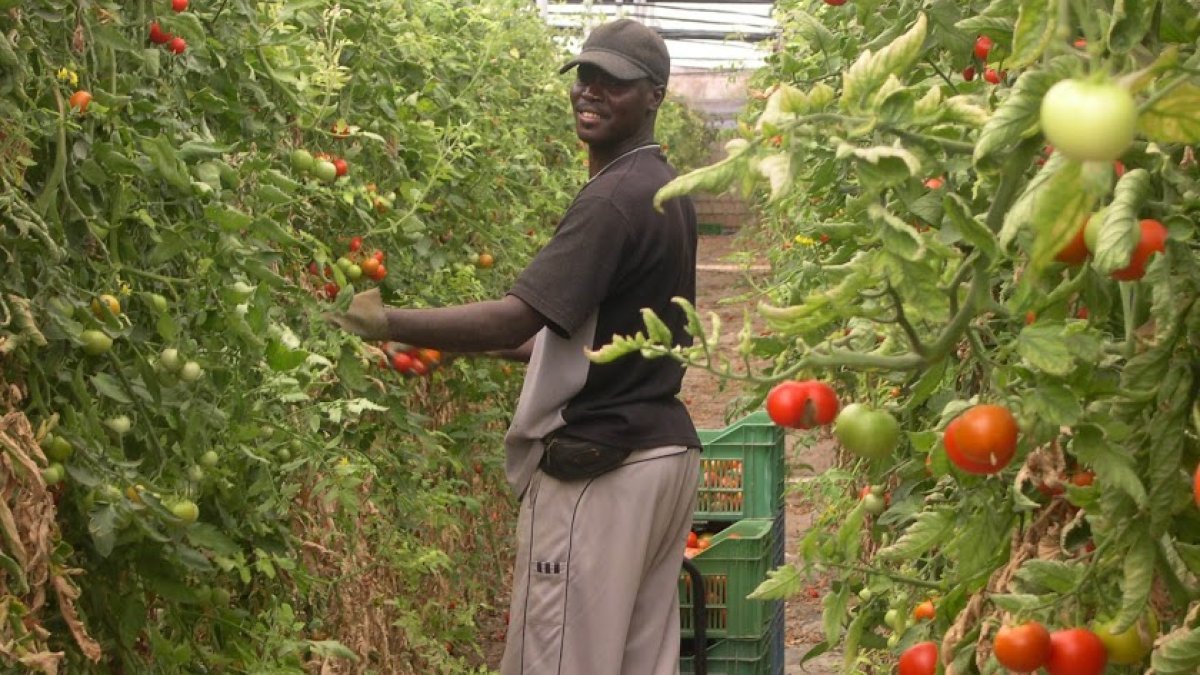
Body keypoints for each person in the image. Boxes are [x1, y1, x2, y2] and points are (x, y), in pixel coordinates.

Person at [326, 18, 701, 675]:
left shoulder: (611, 199)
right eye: (584, 76)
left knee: (562, 662)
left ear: (654, 96)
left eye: (612, 81)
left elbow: (512, 319)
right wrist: (453, 347)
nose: (590, 91)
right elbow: (594, 341)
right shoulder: (666, 190)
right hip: (664, 459)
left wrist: (387, 321)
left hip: (602, 472)